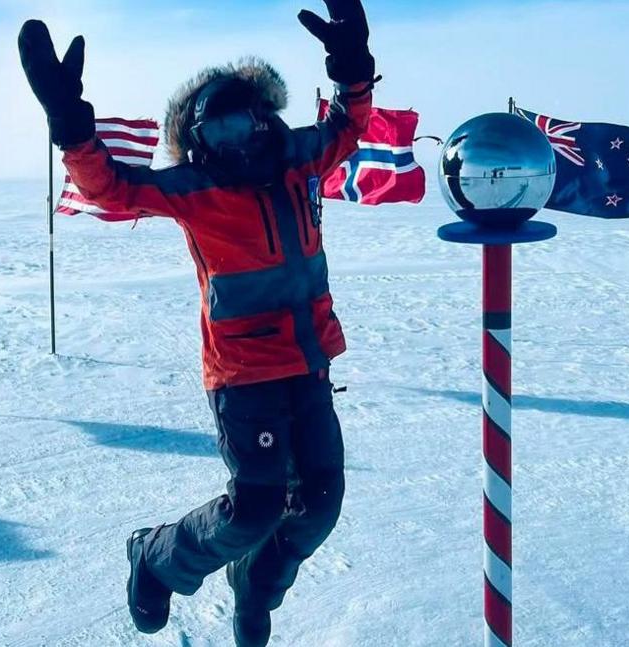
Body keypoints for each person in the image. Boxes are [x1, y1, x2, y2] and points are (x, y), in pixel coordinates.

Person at [18, 2, 375, 644]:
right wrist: (71, 125)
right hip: (244, 376)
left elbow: (350, 126)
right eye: (222, 131)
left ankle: (255, 586)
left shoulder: (299, 161)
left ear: (267, 118)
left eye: (249, 121)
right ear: (200, 141)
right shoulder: (193, 188)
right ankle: (154, 556)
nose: (241, 141)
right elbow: (110, 191)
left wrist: (352, 66)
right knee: (257, 506)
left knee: (319, 505)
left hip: (310, 362)